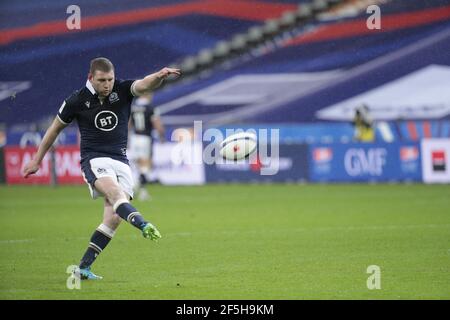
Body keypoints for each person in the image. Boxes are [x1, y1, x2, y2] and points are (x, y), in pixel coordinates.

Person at [22, 57, 181, 280]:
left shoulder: (122, 89)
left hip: (121, 160)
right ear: (91, 78)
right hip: (95, 160)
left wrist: (159, 75)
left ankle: (83, 268)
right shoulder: (76, 100)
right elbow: (54, 129)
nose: (107, 84)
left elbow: (144, 84)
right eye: (102, 80)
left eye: (110, 79)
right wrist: (37, 160)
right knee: (116, 195)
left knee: (114, 217)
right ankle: (143, 224)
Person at [128, 93, 165, 201]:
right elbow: (157, 123)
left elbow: (129, 123)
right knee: (146, 164)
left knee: (137, 164)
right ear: (148, 94)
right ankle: (142, 191)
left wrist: (127, 137)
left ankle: (134, 186)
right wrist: (161, 135)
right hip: (145, 138)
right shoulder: (151, 107)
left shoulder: (133, 106)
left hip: (135, 137)